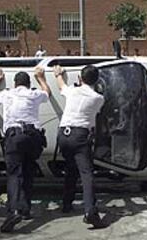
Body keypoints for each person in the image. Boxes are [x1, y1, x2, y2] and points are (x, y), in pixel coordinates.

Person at [0, 68, 50, 233]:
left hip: (15, 136)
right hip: (33, 137)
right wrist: (41, 78)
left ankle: (14, 211)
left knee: (14, 174)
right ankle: (25, 209)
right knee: (29, 171)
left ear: (15, 84)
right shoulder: (33, 94)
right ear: (28, 84)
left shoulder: (8, 94)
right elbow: (47, 92)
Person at [53, 64, 105, 228]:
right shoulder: (98, 98)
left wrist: (58, 74)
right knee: (86, 173)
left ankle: (66, 204)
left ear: (80, 78)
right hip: (80, 136)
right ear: (96, 81)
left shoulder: (72, 91)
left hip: (63, 135)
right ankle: (90, 211)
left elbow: (61, 85)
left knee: (71, 169)